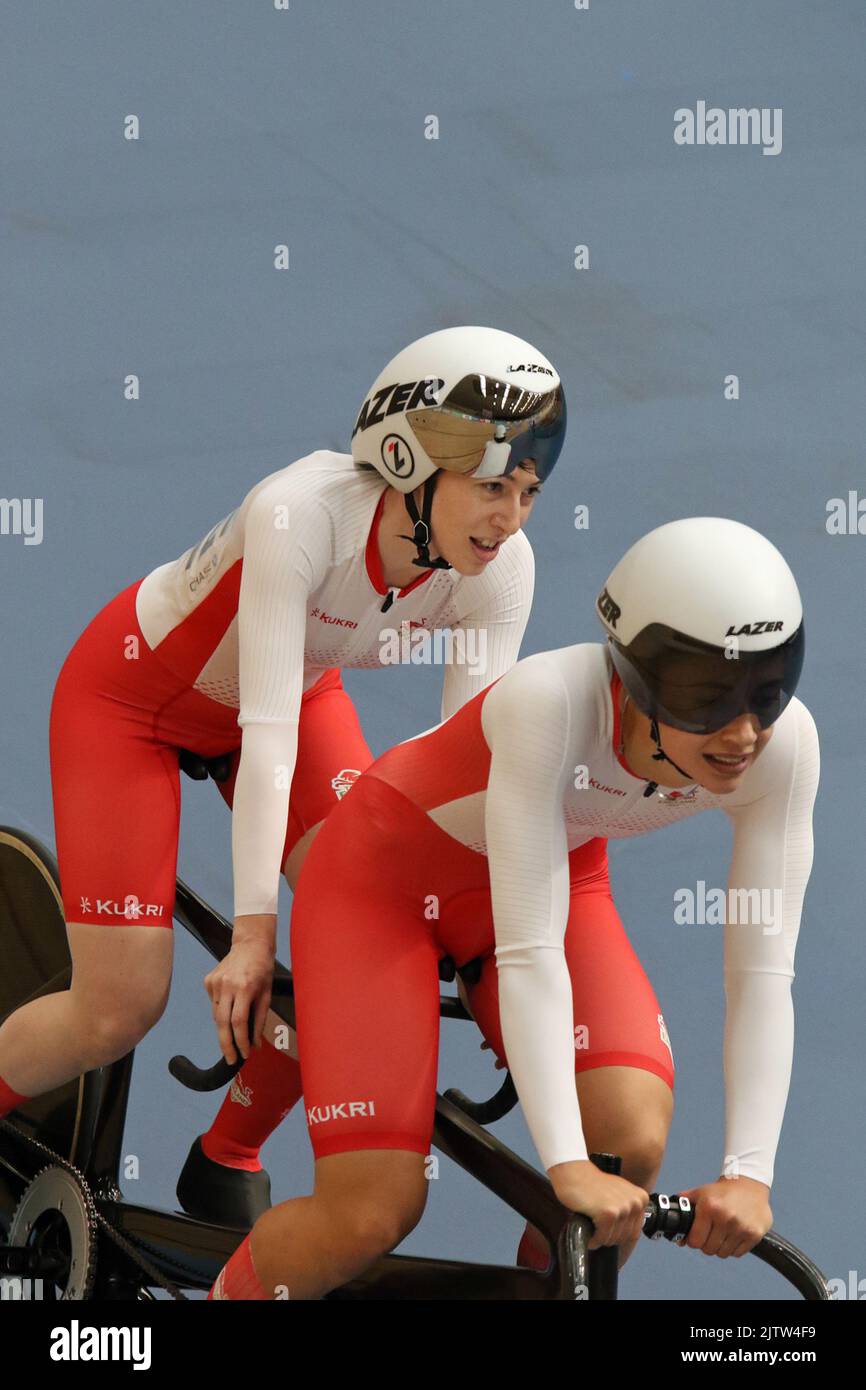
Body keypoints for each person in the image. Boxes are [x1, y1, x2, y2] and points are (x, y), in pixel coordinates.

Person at [0, 327, 567, 1231]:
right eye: (493, 487)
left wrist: (486, 938)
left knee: (374, 914)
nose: (513, 518)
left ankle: (225, 1154)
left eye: (530, 491)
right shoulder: (298, 517)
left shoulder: (498, 575)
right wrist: (253, 937)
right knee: (118, 1008)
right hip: (136, 701)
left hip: (294, 689)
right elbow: (264, 741)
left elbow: (455, 772)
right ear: (405, 461)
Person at [206, 517, 819, 1300]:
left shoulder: (784, 746)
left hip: (547, 877)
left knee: (627, 1144)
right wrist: (562, 1166)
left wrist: (750, 1174)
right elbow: (530, 953)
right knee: (369, 1213)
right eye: (708, 700)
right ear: (636, 678)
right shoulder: (549, 704)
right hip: (380, 889)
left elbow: (764, 974)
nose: (743, 733)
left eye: (769, 690)